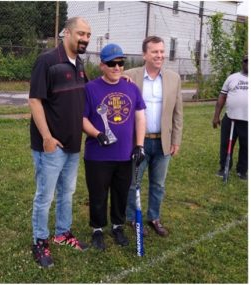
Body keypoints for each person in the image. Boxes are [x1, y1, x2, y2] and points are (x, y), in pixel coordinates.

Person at [28, 17, 91, 268]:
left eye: (88, 34)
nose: (85, 38)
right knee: (45, 197)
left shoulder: (81, 64)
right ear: (67, 32)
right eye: (81, 33)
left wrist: (124, 77)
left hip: (73, 145)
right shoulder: (47, 61)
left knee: (67, 193)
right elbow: (35, 100)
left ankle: (63, 233)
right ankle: (39, 242)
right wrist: (46, 137)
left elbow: (88, 92)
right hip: (51, 146)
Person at [83, 43, 146, 250]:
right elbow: (81, 118)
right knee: (98, 194)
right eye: (112, 63)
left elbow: (140, 117)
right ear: (102, 65)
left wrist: (139, 145)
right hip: (97, 155)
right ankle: (98, 229)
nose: (117, 67)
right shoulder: (90, 88)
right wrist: (97, 134)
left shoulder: (131, 87)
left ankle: (117, 226)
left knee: (120, 193)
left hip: (124, 155)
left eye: (120, 63)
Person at [124, 36, 183, 237]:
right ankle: (132, 217)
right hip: (138, 142)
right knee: (134, 182)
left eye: (161, 51)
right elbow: (112, 79)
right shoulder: (130, 75)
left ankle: (154, 217)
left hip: (162, 142)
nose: (160, 55)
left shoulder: (174, 79)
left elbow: (178, 113)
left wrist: (176, 140)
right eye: (155, 52)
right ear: (144, 54)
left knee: (158, 184)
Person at [212, 55, 248, 180]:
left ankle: (242, 171)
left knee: (246, 146)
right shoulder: (232, 78)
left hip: (247, 121)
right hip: (231, 118)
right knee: (226, 144)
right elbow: (222, 97)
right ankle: (224, 168)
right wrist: (216, 116)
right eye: (246, 61)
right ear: (242, 63)